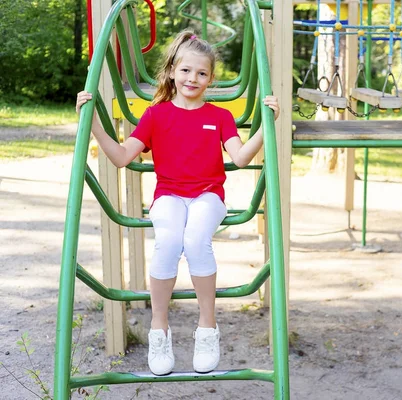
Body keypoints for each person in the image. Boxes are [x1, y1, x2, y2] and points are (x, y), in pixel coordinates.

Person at [76, 30, 280, 376]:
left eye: (201, 73)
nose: (193, 78)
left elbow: (242, 157)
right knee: (169, 241)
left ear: (210, 78)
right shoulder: (156, 116)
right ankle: (160, 329)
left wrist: (267, 125)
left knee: (196, 241)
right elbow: (123, 156)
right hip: (168, 196)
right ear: (172, 71)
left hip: (207, 196)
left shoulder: (220, 116)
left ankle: (207, 328)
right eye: (186, 71)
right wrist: (93, 122)